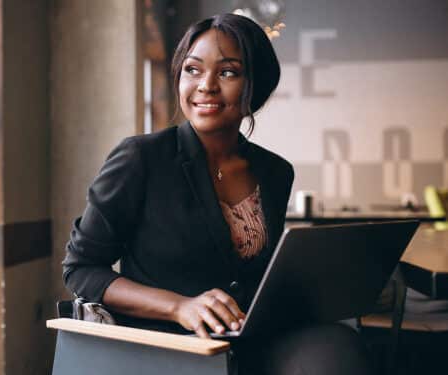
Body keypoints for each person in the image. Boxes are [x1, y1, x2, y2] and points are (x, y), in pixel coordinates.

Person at [63, 13, 374, 375]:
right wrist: (179, 306)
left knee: (339, 349)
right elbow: (81, 269)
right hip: (168, 341)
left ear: (254, 87)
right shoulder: (140, 158)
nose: (206, 85)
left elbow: (257, 274)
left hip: (248, 337)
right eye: (192, 70)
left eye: (227, 72)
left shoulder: (274, 172)